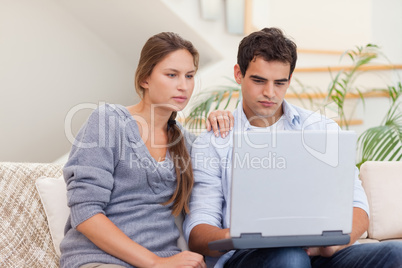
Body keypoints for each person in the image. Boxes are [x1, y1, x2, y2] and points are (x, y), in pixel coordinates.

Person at [183, 27, 402, 268]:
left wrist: (329, 246)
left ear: (290, 79)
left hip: (322, 254)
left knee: (396, 251)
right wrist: (241, 234)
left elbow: (358, 207)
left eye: (280, 83)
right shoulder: (214, 141)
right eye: (259, 80)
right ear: (238, 74)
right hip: (252, 257)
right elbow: (198, 233)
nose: (269, 92)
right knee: (290, 257)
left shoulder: (322, 130)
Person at [60, 32, 233, 268]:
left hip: (167, 261)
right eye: (171, 75)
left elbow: (225, 187)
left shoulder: (189, 144)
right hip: (99, 260)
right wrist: (153, 263)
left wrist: (223, 127)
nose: (183, 86)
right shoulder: (108, 122)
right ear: (145, 79)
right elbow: (86, 213)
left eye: (189, 76)